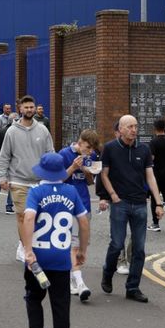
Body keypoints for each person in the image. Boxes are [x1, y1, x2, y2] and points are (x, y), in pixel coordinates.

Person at [20, 152, 88, 328]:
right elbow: (83, 222)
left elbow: (29, 217)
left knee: (33, 298)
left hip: (38, 258)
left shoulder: (36, 192)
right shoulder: (71, 192)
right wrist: (82, 250)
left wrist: (28, 250)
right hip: (60, 258)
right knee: (61, 306)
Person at [98, 115, 164, 303]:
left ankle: (133, 287)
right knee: (117, 244)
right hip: (120, 203)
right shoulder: (110, 148)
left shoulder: (143, 149)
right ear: (120, 129)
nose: (134, 130)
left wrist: (158, 203)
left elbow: (150, 176)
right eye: (130, 127)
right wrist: (112, 195)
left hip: (140, 203)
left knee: (139, 248)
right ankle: (108, 272)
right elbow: (104, 174)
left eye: (136, 126)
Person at [0, 96, 55, 261]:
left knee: (37, 217)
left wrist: (53, 175)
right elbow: (4, 156)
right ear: (20, 109)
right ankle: (24, 247)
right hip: (18, 180)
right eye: (26, 107)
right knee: (22, 216)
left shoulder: (43, 130)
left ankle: (29, 243)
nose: (29, 110)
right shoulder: (12, 131)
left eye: (32, 107)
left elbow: (50, 153)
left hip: (39, 181)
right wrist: (2, 177)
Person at [57, 129, 101, 301]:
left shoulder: (92, 156)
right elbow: (58, 179)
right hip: (66, 204)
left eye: (92, 149)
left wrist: (86, 170)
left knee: (81, 246)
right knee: (72, 245)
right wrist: (73, 167)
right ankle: (79, 282)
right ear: (80, 141)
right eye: (88, 147)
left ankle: (71, 279)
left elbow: (90, 182)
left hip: (83, 204)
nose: (90, 151)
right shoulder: (63, 154)